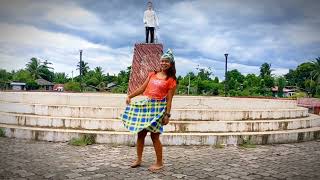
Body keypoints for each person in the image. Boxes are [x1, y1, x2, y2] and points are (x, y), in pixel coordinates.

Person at [120, 49, 177, 171]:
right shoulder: (152, 74)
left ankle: (159, 162)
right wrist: (130, 96)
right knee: (140, 134)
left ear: (171, 64)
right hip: (146, 107)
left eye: (167, 61)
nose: (164, 63)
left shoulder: (171, 80)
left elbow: (170, 100)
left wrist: (167, 115)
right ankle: (139, 159)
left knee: (155, 137)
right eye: (162, 61)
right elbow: (142, 88)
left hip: (158, 109)